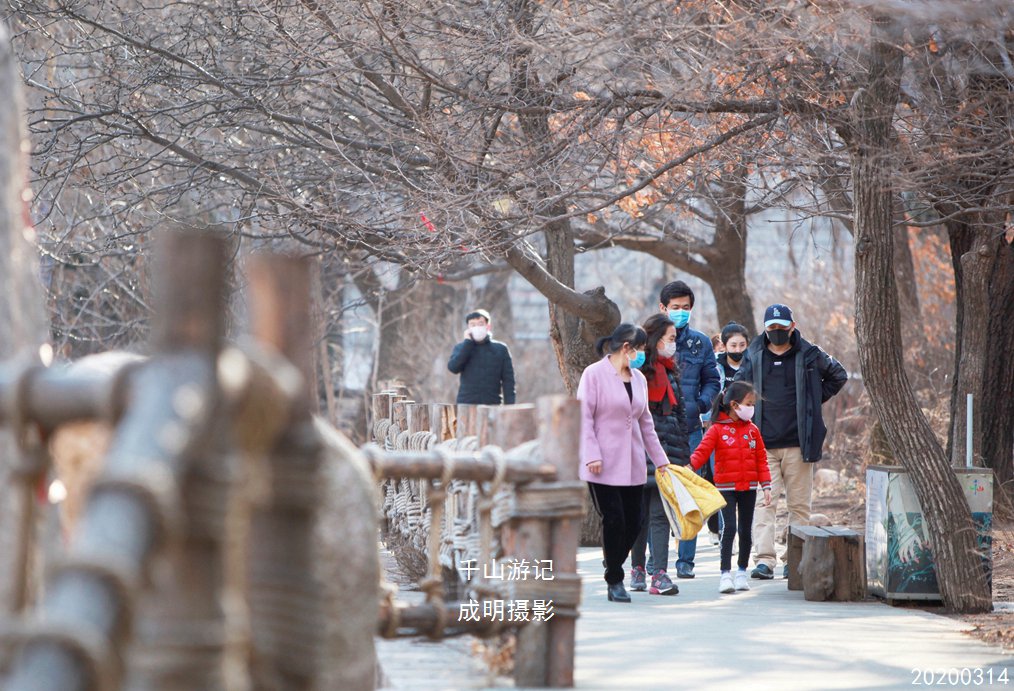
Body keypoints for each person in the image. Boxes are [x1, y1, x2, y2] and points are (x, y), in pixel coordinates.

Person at [734, 304, 848, 580]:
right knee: (765, 503)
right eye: (772, 328)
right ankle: (764, 560)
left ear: (792, 326)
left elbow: (839, 375)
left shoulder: (809, 353)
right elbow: (736, 388)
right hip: (762, 445)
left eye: (782, 328)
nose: (777, 333)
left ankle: (794, 559)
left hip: (799, 443)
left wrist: (812, 400)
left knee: (798, 506)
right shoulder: (753, 355)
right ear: (765, 328)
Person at [577, 323, 670, 603]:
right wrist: (591, 454)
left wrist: (661, 460)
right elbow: (583, 418)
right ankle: (615, 578)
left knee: (634, 521)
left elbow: (646, 423)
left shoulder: (639, 378)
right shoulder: (593, 375)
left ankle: (613, 560)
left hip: (632, 463)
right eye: (640, 349)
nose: (642, 354)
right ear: (627, 348)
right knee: (614, 519)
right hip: (601, 463)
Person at [658, 280, 721, 578]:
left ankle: (685, 562)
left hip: (691, 427)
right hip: (657, 429)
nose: (680, 313)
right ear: (663, 308)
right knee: (655, 495)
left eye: (685, 308)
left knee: (689, 493)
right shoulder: (650, 341)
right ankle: (654, 562)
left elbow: (712, 379)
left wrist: (702, 402)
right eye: (675, 308)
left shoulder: (700, 342)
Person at [690, 381, 772, 593]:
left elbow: (761, 459)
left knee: (746, 530)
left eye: (753, 403)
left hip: (749, 487)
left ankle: (742, 572)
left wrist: (766, 485)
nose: (751, 407)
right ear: (735, 405)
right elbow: (702, 451)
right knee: (730, 529)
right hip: (726, 487)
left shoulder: (753, 430)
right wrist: (689, 467)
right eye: (749, 403)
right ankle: (725, 574)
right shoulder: (717, 429)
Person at [629, 314, 689, 596]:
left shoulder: (672, 371)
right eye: (670, 338)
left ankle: (660, 574)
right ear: (656, 339)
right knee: (639, 515)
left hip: (668, 454)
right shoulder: (637, 375)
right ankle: (637, 569)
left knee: (660, 514)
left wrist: (683, 455)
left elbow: (679, 416)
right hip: (640, 452)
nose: (673, 344)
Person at [447, 309, 516, 405]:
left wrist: (509, 408)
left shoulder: (501, 349)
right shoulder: (461, 347)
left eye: (480, 324)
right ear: (468, 328)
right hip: (466, 405)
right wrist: (467, 343)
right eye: (473, 325)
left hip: (492, 404)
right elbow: (453, 368)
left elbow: (508, 382)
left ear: (488, 326)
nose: (477, 327)